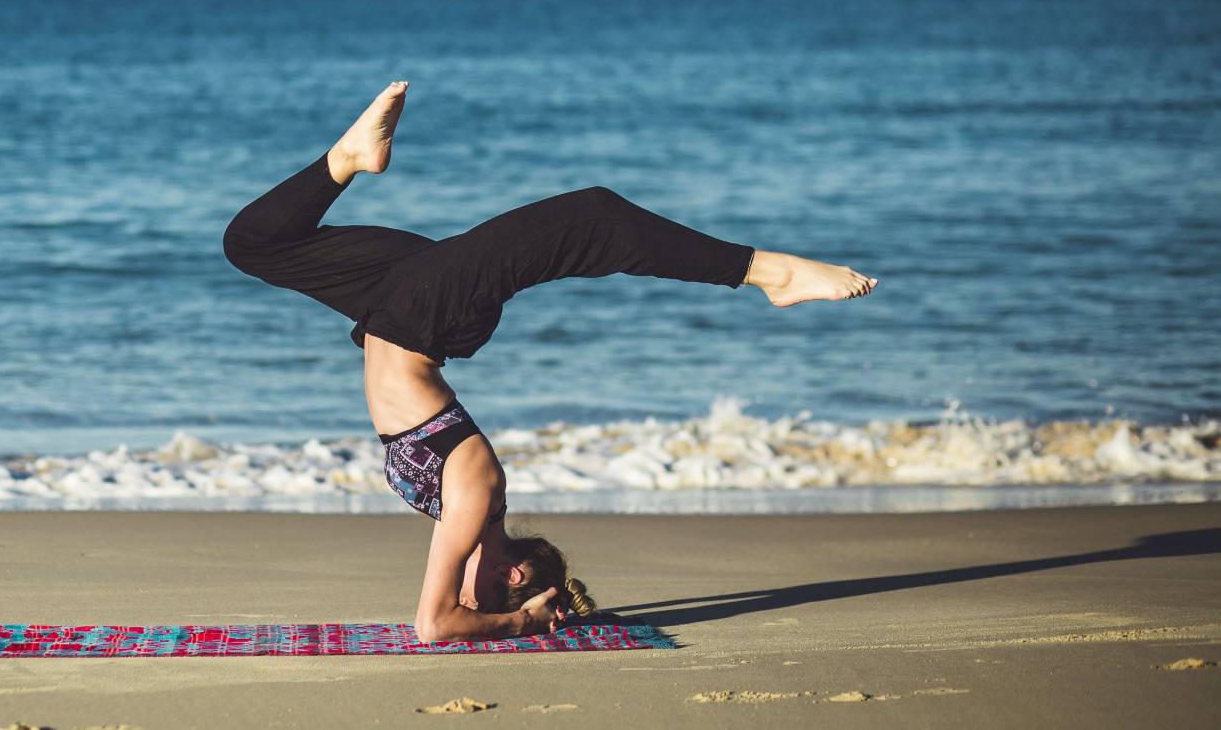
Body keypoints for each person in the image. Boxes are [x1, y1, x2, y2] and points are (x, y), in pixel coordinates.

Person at [222, 81, 877, 644]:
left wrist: (532, 612)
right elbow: (436, 623)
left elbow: (442, 615)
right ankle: (771, 273)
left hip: (391, 306)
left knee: (253, 243)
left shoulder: (458, 512)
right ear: (513, 574)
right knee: (595, 214)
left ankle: (348, 158)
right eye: (478, 593)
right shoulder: (476, 492)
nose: (459, 590)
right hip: (426, 315)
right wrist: (521, 623)